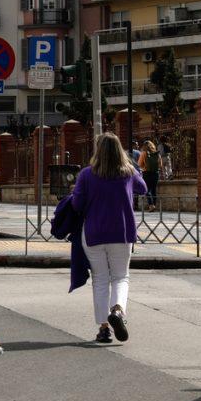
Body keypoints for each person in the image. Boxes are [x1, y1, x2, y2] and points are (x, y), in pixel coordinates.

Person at [71, 132, 147, 344]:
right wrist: (132, 168)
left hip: (94, 232)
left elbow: (77, 205)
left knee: (100, 279)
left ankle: (104, 329)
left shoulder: (86, 174)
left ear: (98, 151)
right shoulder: (128, 173)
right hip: (122, 233)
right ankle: (118, 311)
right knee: (121, 277)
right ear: (120, 150)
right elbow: (144, 188)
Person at [138, 140, 163, 211]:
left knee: (147, 189)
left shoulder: (144, 153)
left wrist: (144, 167)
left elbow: (139, 164)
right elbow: (160, 165)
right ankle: (154, 205)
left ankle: (151, 205)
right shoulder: (157, 154)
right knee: (154, 190)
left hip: (146, 173)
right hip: (155, 173)